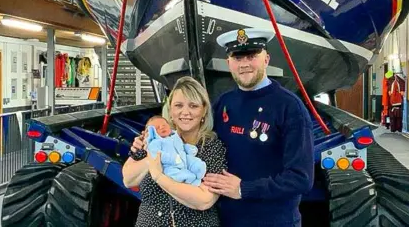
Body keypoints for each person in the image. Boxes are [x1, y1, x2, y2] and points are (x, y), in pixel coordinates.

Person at [203, 28, 315, 226]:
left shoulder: (289, 107)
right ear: (229, 63)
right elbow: (198, 141)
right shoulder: (223, 103)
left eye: (252, 56)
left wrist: (243, 189)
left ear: (266, 59)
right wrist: (151, 142)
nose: (245, 64)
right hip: (227, 220)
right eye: (237, 58)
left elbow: (301, 178)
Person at [122, 76, 227, 227]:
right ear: (170, 110)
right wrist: (155, 155)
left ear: (204, 110)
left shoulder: (212, 147)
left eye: (193, 106)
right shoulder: (153, 138)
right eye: (178, 105)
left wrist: (159, 176)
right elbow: (128, 179)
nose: (185, 112)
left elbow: (204, 200)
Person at [142, 115, 207, 186]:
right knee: (173, 173)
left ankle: (198, 170)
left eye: (164, 125)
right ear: (152, 132)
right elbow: (157, 154)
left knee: (195, 162)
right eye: (157, 128)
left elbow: (181, 146)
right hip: (169, 165)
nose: (162, 127)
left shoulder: (175, 136)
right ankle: (189, 180)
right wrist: (173, 159)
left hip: (183, 157)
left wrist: (188, 149)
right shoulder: (155, 142)